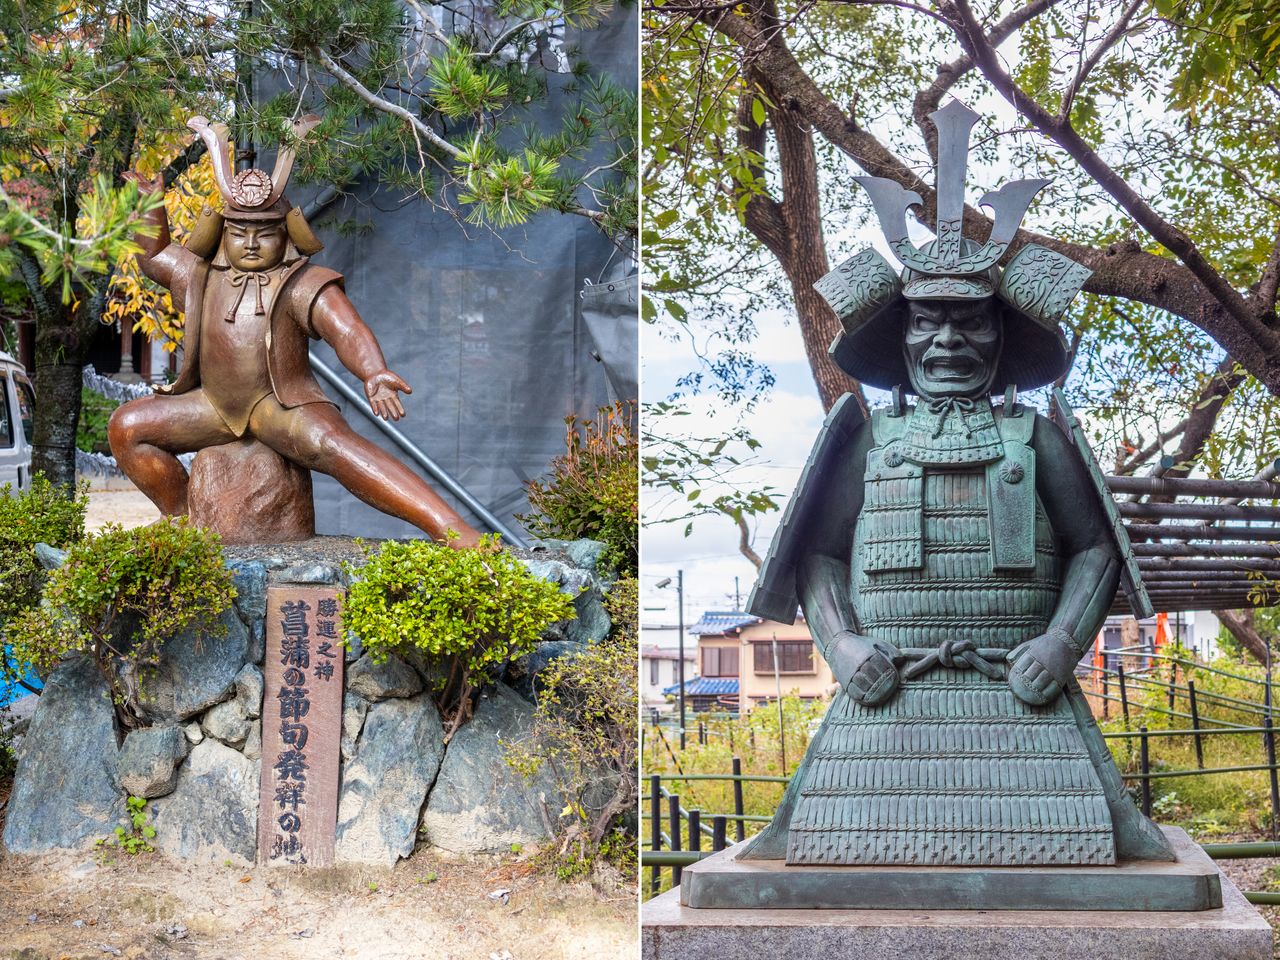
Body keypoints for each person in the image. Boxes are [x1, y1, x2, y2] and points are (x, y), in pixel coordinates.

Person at [743, 100, 1172, 866]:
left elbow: (1094, 550)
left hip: (1024, 693)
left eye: (969, 322)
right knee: (834, 847)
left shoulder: (1037, 435)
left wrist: (1062, 641)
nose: (947, 339)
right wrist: (842, 646)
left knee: (1073, 848)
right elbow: (822, 554)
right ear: (899, 335)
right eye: (926, 321)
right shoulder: (867, 437)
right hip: (885, 695)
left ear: (1002, 335)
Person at [109, 116, 481, 547]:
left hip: (279, 405)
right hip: (211, 405)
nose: (250, 243)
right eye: (239, 232)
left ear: (287, 234)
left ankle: (449, 527)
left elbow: (347, 329)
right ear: (221, 231)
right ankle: (181, 518)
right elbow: (153, 256)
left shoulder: (303, 283)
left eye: (264, 233)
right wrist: (148, 206)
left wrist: (373, 371)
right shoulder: (198, 274)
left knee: (336, 446)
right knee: (127, 427)